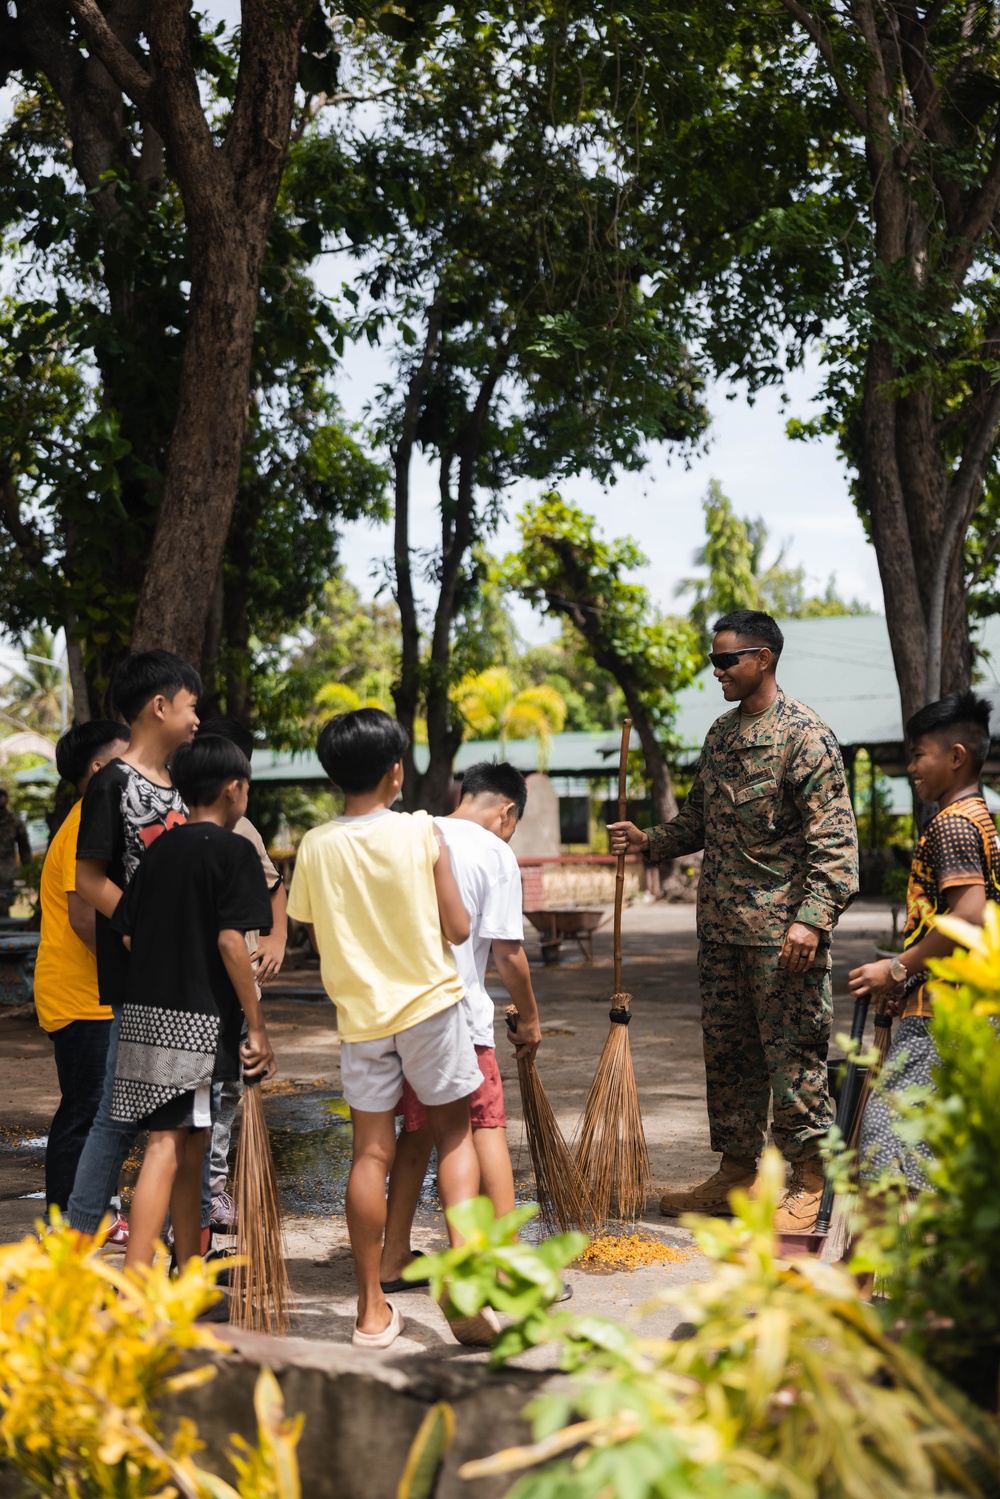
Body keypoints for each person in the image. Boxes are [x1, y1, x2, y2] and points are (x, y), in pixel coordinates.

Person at [609, 609, 859, 1231]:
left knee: (794, 1058)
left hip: (783, 939)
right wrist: (649, 840)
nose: (715, 670)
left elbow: (837, 843)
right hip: (721, 934)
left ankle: (807, 1181)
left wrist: (813, 919)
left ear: (764, 658)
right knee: (729, 1060)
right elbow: (698, 821)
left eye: (726, 660)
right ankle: (738, 1175)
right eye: (713, 658)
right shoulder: (721, 734)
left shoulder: (806, 737)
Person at [287, 708, 487, 1351]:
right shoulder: (423, 831)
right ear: (397, 771)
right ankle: (464, 1274)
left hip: (361, 1019)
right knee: (455, 1137)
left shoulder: (315, 846)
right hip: (430, 1006)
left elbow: (318, 939)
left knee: (370, 1153)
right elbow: (457, 928)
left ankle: (371, 1310)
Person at [110, 735, 275, 1274]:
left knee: (194, 1144)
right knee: (166, 1144)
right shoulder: (235, 852)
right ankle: (138, 1286)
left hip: (144, 1017)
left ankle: (188, 1270)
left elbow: (129, 932)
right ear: (234, 789)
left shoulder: (159, 851)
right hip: (196, 1027)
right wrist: (257, 1026)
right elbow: (233, 942)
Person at [379, 760, 542, 1293]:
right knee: (485, 1127)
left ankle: (394, 1256)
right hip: (459, 1019)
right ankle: (505, 1266)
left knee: (418, 1132)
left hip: (398, 1015)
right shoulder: (495, 851)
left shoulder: (413, 832)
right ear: (506, 811)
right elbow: (509, 954)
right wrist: (532, 1020)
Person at [66, 649, 202, 1240]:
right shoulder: (112, 784)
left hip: (189, 976)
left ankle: (174, 1243)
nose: (198, 719)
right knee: (120, 1118)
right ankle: (77, 1238)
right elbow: (89, 879)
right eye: (192, 705)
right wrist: (145, 926)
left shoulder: (182, 786)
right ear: (160, 705)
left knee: (181, 1121)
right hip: (140, 973)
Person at [849, 691, 1000, 1190]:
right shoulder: (979, 816)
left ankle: (884, 1264)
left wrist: (895, 967)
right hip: (967, 1004)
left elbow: (970, 914)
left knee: (884, 1141)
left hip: (941, 1013)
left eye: (918, 755)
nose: (911, 767)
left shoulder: (952, 823)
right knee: (933, 1148)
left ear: (956, 757)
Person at [35, 721, 131, 1218]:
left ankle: (98, 1216)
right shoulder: (84, 822)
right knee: (85, 1111)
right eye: (125, 756)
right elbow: (82, 918)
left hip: (89, 994)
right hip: (80, 996)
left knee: (102, 1110)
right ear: (100, 770)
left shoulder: (91, 818)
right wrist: (133, 973)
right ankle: (62, 1223)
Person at [195, 717, 287, 1233]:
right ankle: (204, 1195)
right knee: (203, 1092)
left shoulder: (245, 833)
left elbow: (276, 885)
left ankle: (214, 1190)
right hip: (206, 987)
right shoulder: (178, 829)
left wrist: (276, 938)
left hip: (238, 982)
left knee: (227, 1089)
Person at [0, 786, 32, 917]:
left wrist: (28, 871)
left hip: (7, 871)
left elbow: (24, 848)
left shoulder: (15, 821)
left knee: (3, 905)